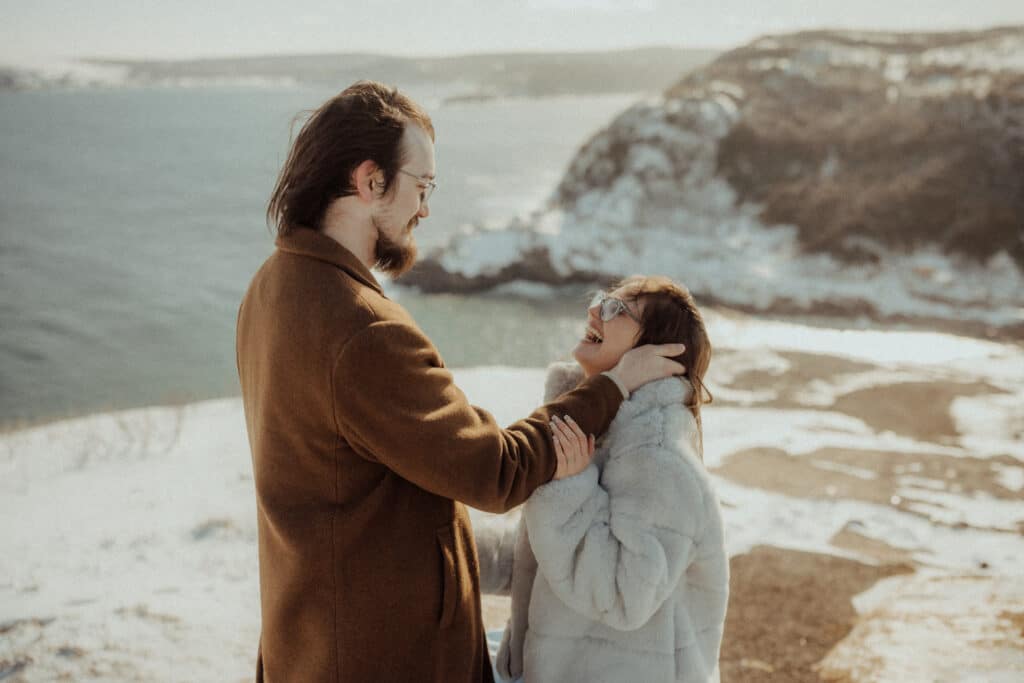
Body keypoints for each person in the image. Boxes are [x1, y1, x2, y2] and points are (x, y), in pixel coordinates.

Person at [235, 81, 686, 683]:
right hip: (383, 658)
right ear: (371, 182)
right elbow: (495, 471)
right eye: (422, 187)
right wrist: (612, 388)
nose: (425, 209)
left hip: (310, 637)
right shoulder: (363, 331)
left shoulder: (271, 286)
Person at [476, 275, 729, 683]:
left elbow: (624, 594)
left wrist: (569, 489)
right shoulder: (606, 434)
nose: (594, 311)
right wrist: (451, 547)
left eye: (617, 310)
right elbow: (544, 555)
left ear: (652, 351)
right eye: (601, 300)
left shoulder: (660, 457)